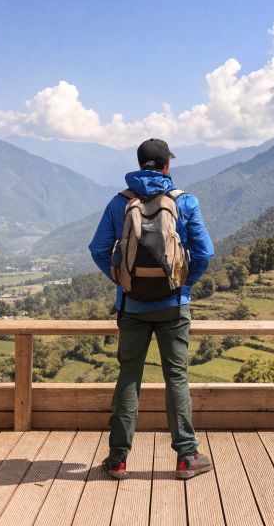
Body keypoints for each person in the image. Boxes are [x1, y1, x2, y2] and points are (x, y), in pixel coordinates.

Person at [89, 138, 215, 480]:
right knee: (177, 377)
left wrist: (123, 281)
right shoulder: (185, 202)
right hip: (174, 306)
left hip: (131, 306)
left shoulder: (120, 203)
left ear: (139, 163)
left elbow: (98, 249)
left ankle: (117, 460)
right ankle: (187, 457)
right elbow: (204, 253)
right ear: (166, 166)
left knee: (129, 376)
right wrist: (183, 286)